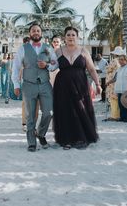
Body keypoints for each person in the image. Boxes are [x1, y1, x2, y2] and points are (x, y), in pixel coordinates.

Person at [52, 26, 100, 149]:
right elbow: (51, 67)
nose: (71, 37)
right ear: (64, 37)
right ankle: (66, 139)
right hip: (62, 86)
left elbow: (91, 69)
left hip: (81, 85)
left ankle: (81, 137)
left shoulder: (83, 51)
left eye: (73, 35)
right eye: (68, 35)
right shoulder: (58, 51)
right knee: (65, 111)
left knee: (81, 109)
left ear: (77, 37)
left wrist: (98, 84)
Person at [12, 23, 58, 151]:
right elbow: (15, 67)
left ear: (41, 33)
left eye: (38, 30)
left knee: (49, 112)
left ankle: (41, 133)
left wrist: (47, 65)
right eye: (33, 31)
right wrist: (16, 84)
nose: (36, 32)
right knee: (30, 115)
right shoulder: (23, 48)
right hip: (28, 84)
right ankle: (31, 142)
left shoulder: (48, 48)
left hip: (45, 84)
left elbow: (55, 62)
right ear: (30, 33)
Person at [107, 48, 127, 123]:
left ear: (126, 60)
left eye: (122, 59)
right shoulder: (119, 69)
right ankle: (123, 117)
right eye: (119, 59)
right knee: (121, 105)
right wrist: (108, 82)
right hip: (119, 89)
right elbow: (115, 78)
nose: (120, 61)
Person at [105, 49, 122, 121]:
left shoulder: (114, 60)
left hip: (112, 82)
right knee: (116, 98)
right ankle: (117, 114)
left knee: (113, 98)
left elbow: (108, 69)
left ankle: (114, 116)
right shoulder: (121, 61)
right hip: (118, 81)